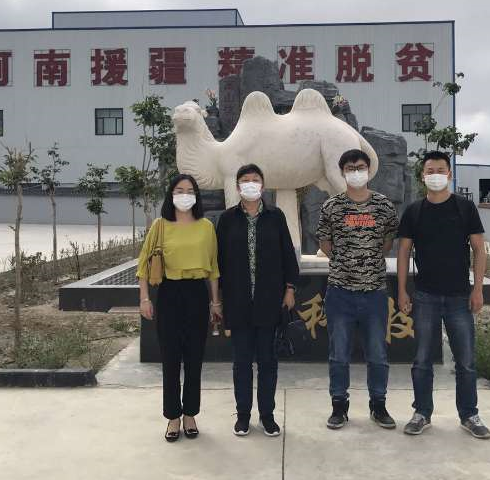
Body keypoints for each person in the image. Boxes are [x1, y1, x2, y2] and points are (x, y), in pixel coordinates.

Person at [396, 150, 490, 439]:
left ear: (449, 174)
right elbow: (403, 252)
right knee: (422, 360)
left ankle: (469, 415)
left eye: (440, 170)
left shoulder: (465, 208)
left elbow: (479, 249)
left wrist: (477, 289)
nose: (435, 175)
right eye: (430, 171)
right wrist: (402, 290)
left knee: (466, 361)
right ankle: (421, 413)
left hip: (459, 297)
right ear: (422, 176)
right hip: (425, 295)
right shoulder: (414, 211)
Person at [316, 149, 399, 430]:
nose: (356, 172)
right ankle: (339, 406)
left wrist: (366, 261)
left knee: (377, 354)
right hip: (340, 292)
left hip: (374, 292)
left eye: (360, 167)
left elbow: (388, 242)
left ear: (369, 170)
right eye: (350, 168)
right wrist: (346, 262)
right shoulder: (332, 206)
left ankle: (379, 405)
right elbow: (325, 243)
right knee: (339, 354)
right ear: (342, 172)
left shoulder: (383, 205)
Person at [216, 164, 299, 438]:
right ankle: (243, 416)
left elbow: (288, 255)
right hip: (238, 301)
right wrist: (218, 299)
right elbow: (218, 262)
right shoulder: (227, 219)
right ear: (238, 186)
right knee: (241, 363)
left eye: (255, 180)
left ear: (263, 185)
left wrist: (289, 288)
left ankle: (267, 415)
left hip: (269, 301)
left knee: (267, 362)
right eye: (245, 180)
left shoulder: (275, 216)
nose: (250, 184)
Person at [137, 174, 221, 443]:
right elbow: (143, 265)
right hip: (169, 293)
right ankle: (173, 416)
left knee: (194, 358)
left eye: (190, 190)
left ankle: (190, 415)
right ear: (171, 194)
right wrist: (144, 299)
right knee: (170, 358)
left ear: (196, 195)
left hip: (197, 293)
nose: (185, 195)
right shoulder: (160, 226)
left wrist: (215, 302)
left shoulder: (206, 227)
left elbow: (213, 268)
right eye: (179, 190)